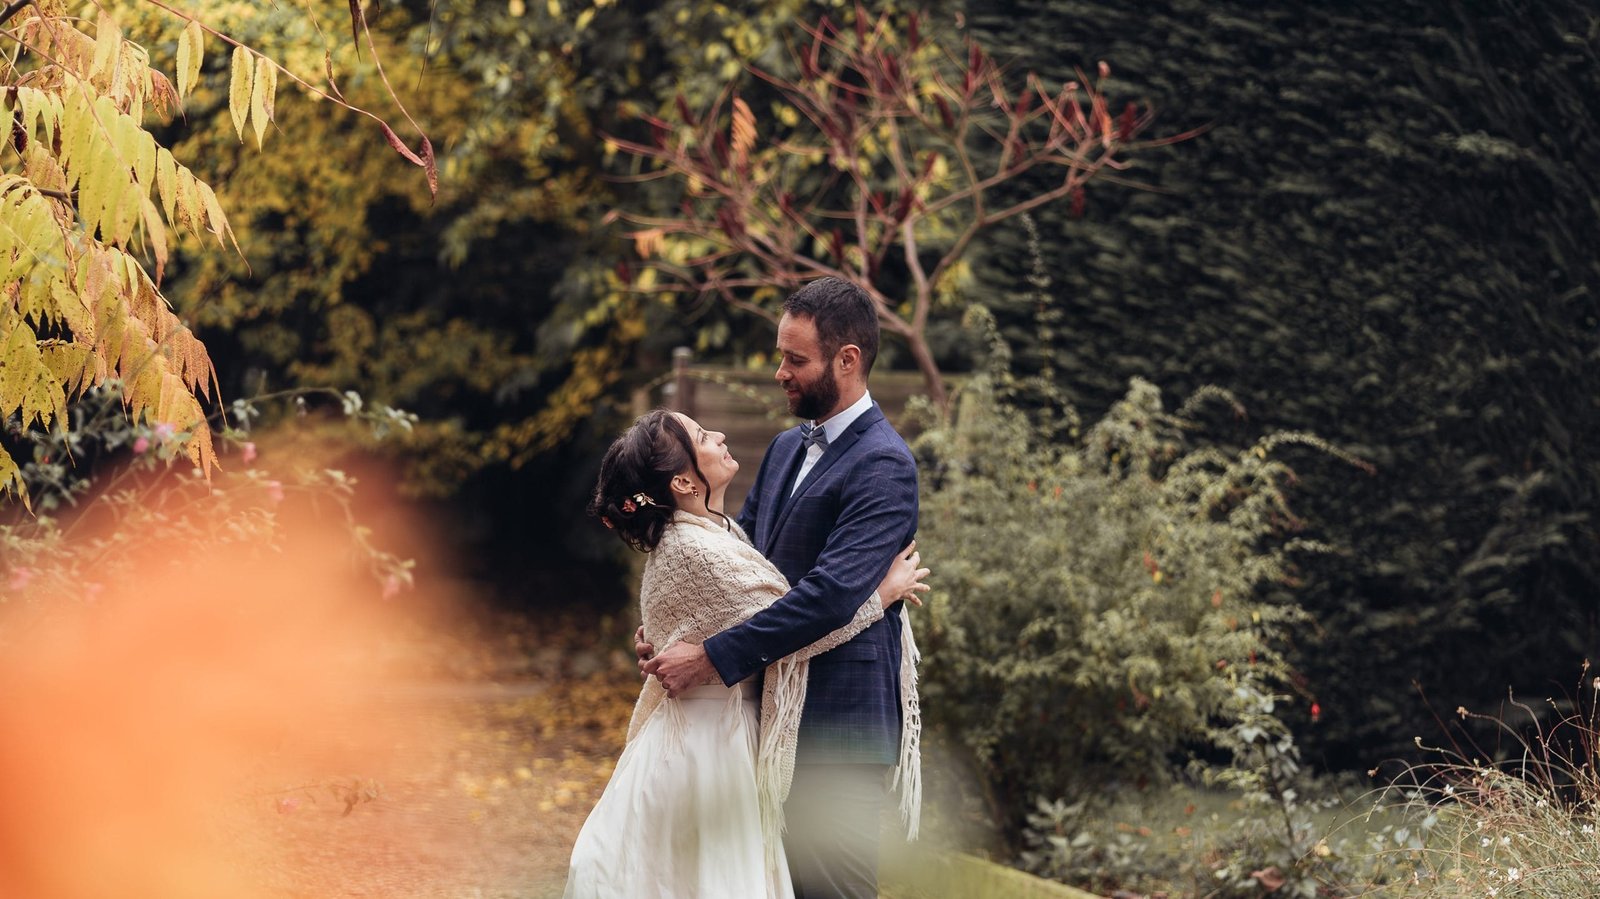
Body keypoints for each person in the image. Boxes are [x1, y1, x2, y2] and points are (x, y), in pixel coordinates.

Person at [563, 408, 927, 899]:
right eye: (701, 436)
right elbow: (789, 624)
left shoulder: (714, 532)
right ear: (685, 484)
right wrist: (882, 595)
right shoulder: (699, 547)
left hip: (730, 733)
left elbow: (730, 602)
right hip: (710, 748)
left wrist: (680, 633)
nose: (719, 434)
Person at [639, 276, 923, 898]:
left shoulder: (885, 465)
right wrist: (677, 633)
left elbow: (829, 595)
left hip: (837, 732)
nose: (779, 372)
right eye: (781, 356)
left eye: (796, 359)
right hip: (765, 722)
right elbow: (745, 569)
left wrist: (711, 657)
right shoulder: (785, 448)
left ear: (847, 360)